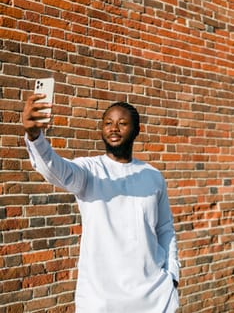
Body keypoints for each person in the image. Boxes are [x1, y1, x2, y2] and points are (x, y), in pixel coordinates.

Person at [22, 93, 180, 313]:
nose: (114, 128)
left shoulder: (153, 176)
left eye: (122, 123)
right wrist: (34, 136)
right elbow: (55, 169)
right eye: (108, 123)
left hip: (154, 298)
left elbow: (165, 228)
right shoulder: (89, 171)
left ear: (137, 131)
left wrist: (172, 276)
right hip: (100, 300)